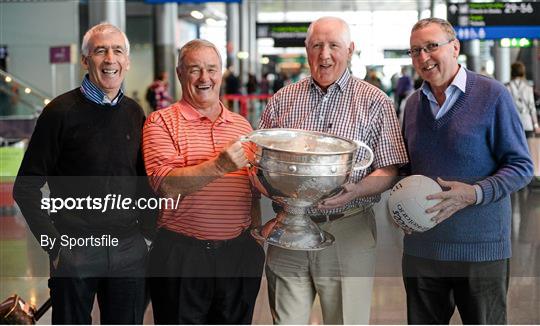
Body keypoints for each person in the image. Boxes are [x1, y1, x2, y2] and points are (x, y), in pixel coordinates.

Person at [259, 16, 408, 324]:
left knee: (346, 319)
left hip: (347, 231)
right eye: (317, 45)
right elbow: (258, 160)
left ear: (350, 49)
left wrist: (356, 190)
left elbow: (390, 169)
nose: (325, 54)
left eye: (334, 46)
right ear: (306, 49)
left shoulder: (374, 101)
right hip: (288, 231)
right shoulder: (283, 100)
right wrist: (264, 185)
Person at [13, 23, 152, 324]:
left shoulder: (134, 112)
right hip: (76, 248)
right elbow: (25, 187)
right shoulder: (59, 113)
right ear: (86, 60)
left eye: (118, 51)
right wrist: (55, 246)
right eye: (100, 51)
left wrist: (148, 238)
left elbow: (142, 181)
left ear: (127, 61)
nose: (110, 59)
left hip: (128, 248)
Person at [401, 18, 534, 324]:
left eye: (432, 46)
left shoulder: (492, 95)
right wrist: (400, 207)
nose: (423, 57)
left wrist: (473, 194)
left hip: (480, 251)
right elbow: (409, 169)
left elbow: (522, 166)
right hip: (422, 250)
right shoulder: (411, 105)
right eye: (415, 51)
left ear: (455, 48)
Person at [142, 39, 264, 324]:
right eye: (195, 70)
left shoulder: (241, 125)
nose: (204, 78)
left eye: (211, 69)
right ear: (180, 73)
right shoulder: (160, 123)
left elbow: (252, 192)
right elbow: (165, 184)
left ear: (221, 72)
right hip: (183, 256)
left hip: (238, 255)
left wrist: (256, 239)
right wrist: (219, 166)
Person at [507, 61, 540, 138]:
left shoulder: (507, 87)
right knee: (527, 148)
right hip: (527, 123)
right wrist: (535, 124)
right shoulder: (528, 88)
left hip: (512, 124)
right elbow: (532, 108)